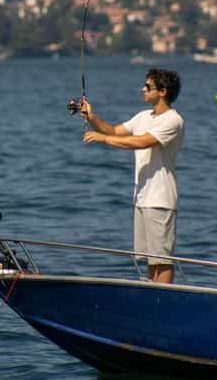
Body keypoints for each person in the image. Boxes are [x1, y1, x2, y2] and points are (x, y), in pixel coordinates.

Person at [78, 68, 184, 283]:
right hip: (142, 198)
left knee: (161, 260)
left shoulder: (173, 120)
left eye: (148, 86)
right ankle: (152, 298)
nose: (142, 89)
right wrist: (92, 116)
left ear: (162, 91)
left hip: (160, 199)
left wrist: (103, 139)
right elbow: (114, 131)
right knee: (149, 260)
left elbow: (141, 142)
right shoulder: (144, 116)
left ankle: (161, 301)